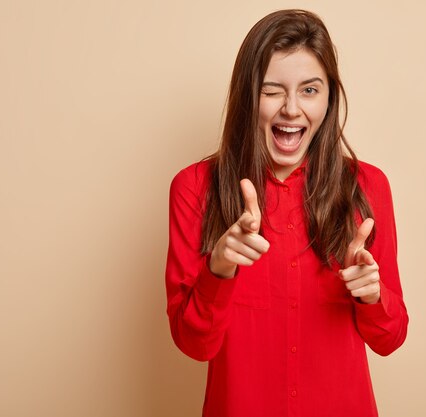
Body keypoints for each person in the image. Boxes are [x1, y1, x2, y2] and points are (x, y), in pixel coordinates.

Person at [165, 9, 409, 417]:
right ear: (247, 96)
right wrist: (219, 269)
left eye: (309, 90)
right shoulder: (194, 189)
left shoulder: (368, 188)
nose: (292, 109)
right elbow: (194, 345)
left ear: (329, 97)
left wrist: (372, 296)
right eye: (271, 90)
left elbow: (390, 339)